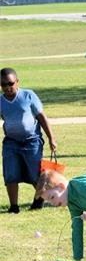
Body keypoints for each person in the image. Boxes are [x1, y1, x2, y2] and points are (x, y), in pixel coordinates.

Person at [1, 67, 57, 213]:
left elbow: (42, 117)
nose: (7, 87)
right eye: (3, 85)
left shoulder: (28, 96)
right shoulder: (1, 101)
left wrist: (51, 138)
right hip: (11, 142)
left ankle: (39, 198)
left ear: (17, 82)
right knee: (10, 173)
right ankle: (14, 207)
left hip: (32, 141)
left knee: (34, 174)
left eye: (10, 83)